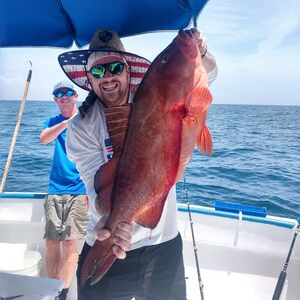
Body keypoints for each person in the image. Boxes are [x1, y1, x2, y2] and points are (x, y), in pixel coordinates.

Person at [58, 29, 218, 300]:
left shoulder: (155, 92)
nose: (107, 77)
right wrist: (109, 225)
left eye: (115, 67)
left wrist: (201, 52)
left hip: (162, 244)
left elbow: (207, 74)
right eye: (98, 72)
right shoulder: (82, 126)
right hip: (106, 237)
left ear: (127, 70)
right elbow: (95, 181)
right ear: (88, 79)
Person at [40, 81, 90, 300]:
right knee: (51, 241)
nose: (64, 96)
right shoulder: (52, 122)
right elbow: (44, 139)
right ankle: (52, 288)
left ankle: (63, 292)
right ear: (55, 99)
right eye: (59, 94)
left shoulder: (87, 119)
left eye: (68, 92)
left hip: (80, 189)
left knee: (70, 242)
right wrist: (68, 122)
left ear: (76, 95)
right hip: (55, 188)